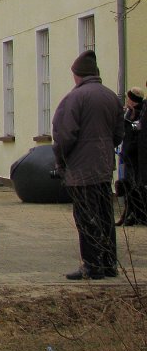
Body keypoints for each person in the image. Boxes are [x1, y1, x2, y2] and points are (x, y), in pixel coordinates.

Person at [52, 50, 123, 279]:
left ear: (78, 74)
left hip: (81, 169)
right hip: (104, 167)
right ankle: (109, 263)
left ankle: (92, 265)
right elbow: (119, 133)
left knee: (86, 217)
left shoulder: (74, 98)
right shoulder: (111, 97)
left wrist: (60, 160)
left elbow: (65, 136)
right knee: (104, 216)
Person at [120, 87, 146, 225]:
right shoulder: (130, 112)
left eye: (128, 98)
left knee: (133, 186)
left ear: (132, 99)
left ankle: (135, 214)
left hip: (134, 156)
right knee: (128, 185)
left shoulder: (140, 113)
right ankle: (130, 213)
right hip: (128, 153)